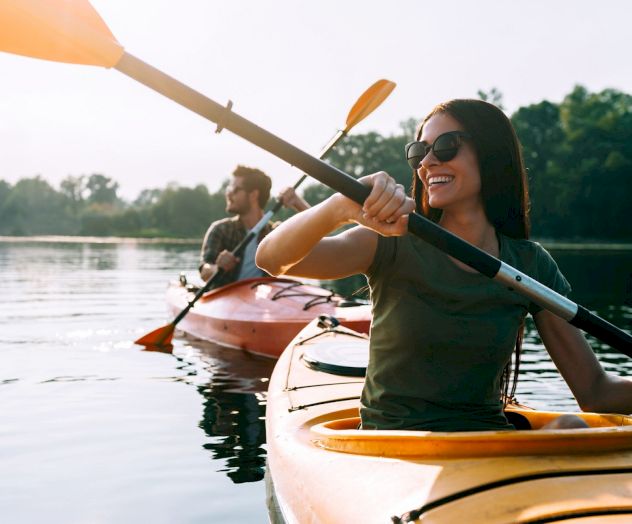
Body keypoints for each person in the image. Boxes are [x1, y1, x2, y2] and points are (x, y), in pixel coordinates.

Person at [256, 99, 632, 432]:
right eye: (419, 151)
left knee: (568, 425)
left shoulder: (530, 264)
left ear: (490, 153)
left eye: (446, 146)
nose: (428, 161)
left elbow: (595, 392)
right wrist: (339, 207)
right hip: (393, 446)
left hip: (487, 444)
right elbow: (271, 258)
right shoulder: (390, 240)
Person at [199, 165, 309, 287]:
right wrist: (217, 268)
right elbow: (204, 271)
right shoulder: (220, 230)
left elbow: (319, 233)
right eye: (228, 189)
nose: (228, 194)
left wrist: (297, 202)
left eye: (234, 190)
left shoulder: (275, 234)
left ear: (253, 195)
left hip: (261, 301)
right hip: (225, 299)